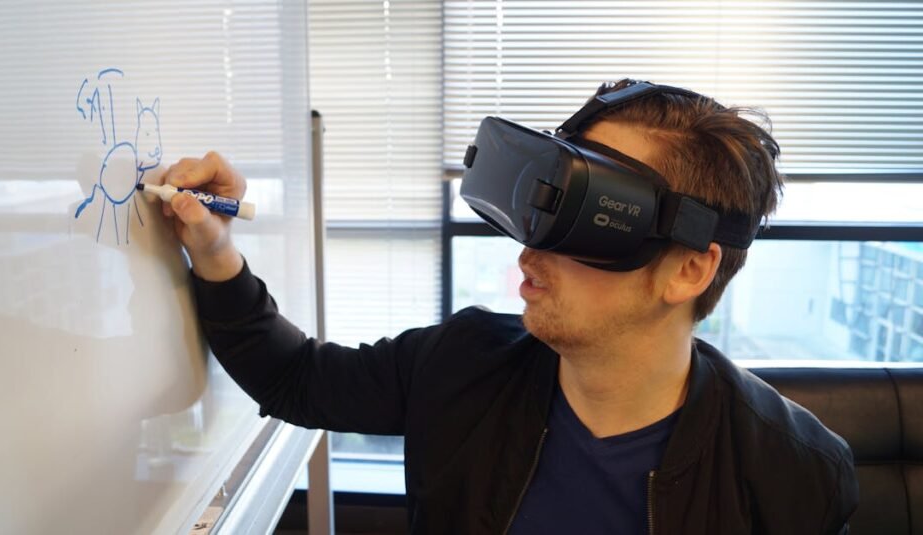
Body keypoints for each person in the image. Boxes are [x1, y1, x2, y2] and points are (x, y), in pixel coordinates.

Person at [160, 79, 858, 534]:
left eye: (586, 225)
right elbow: (296, 378)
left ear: (689, 269)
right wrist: (214, 249)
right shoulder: (462, 365)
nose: (530, 253)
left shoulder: (789, 474)